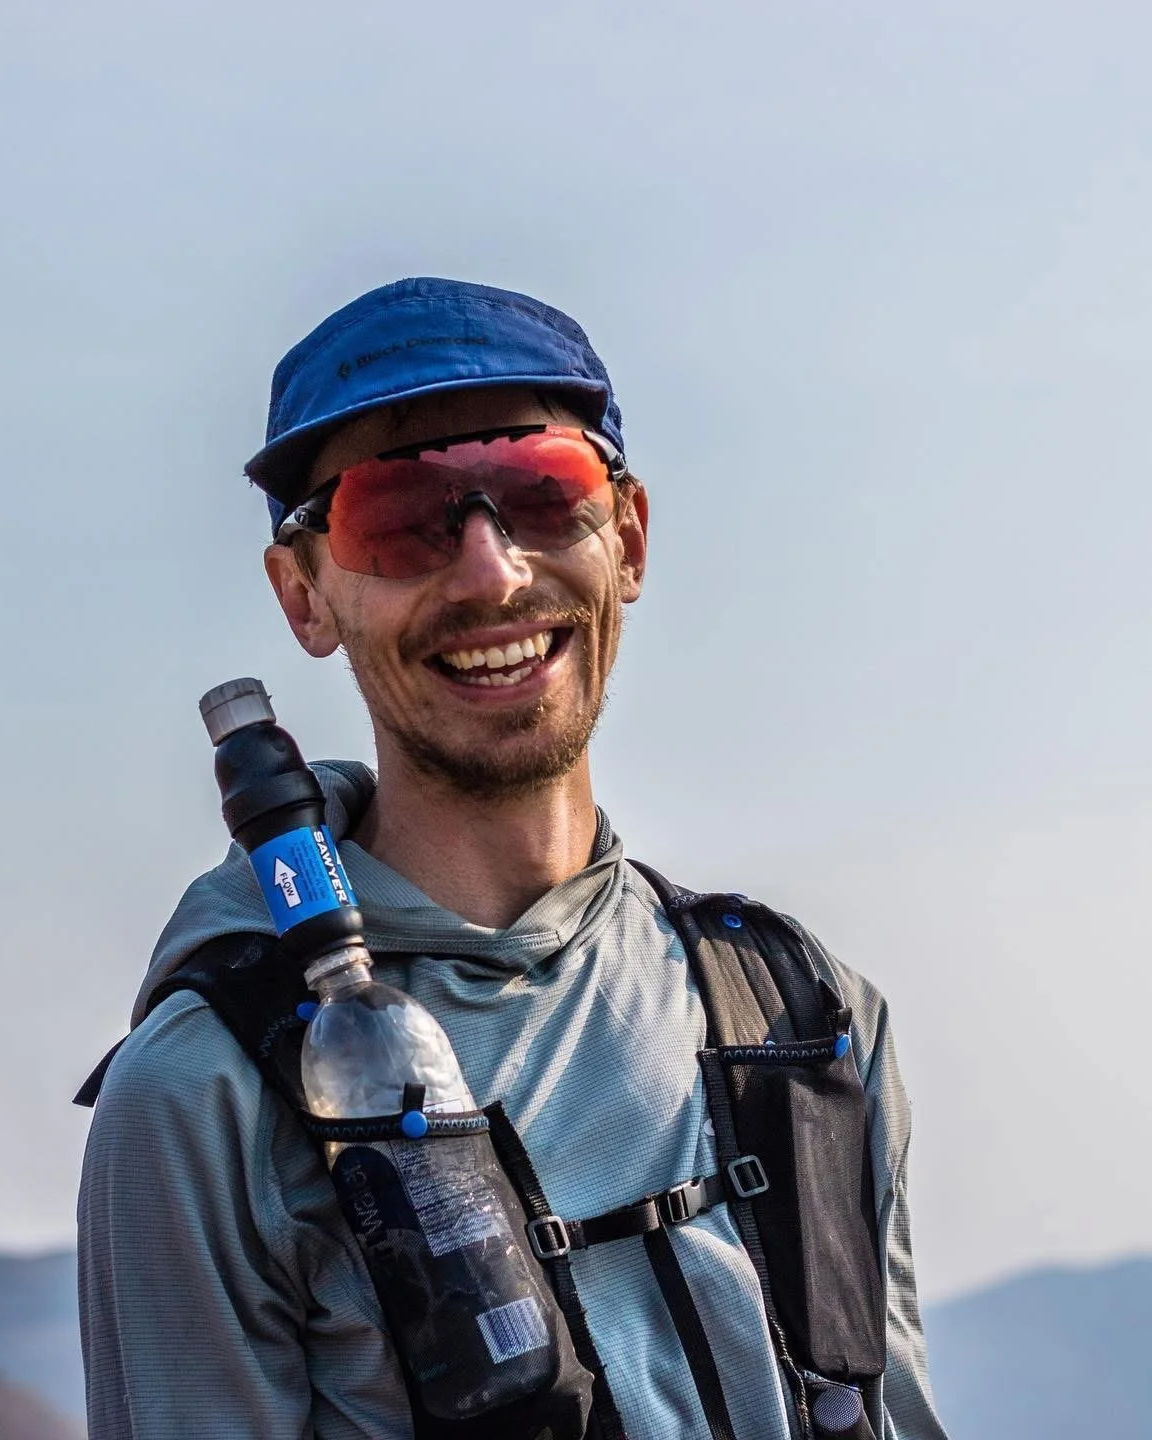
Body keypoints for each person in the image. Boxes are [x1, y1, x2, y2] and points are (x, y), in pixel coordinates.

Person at [77, 277, 949, 1440]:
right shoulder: (205, 1098)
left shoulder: (806, 1015)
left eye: (546, 494)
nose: (491, 574)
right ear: (305, 596)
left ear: (627, 537)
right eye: (399, 514)